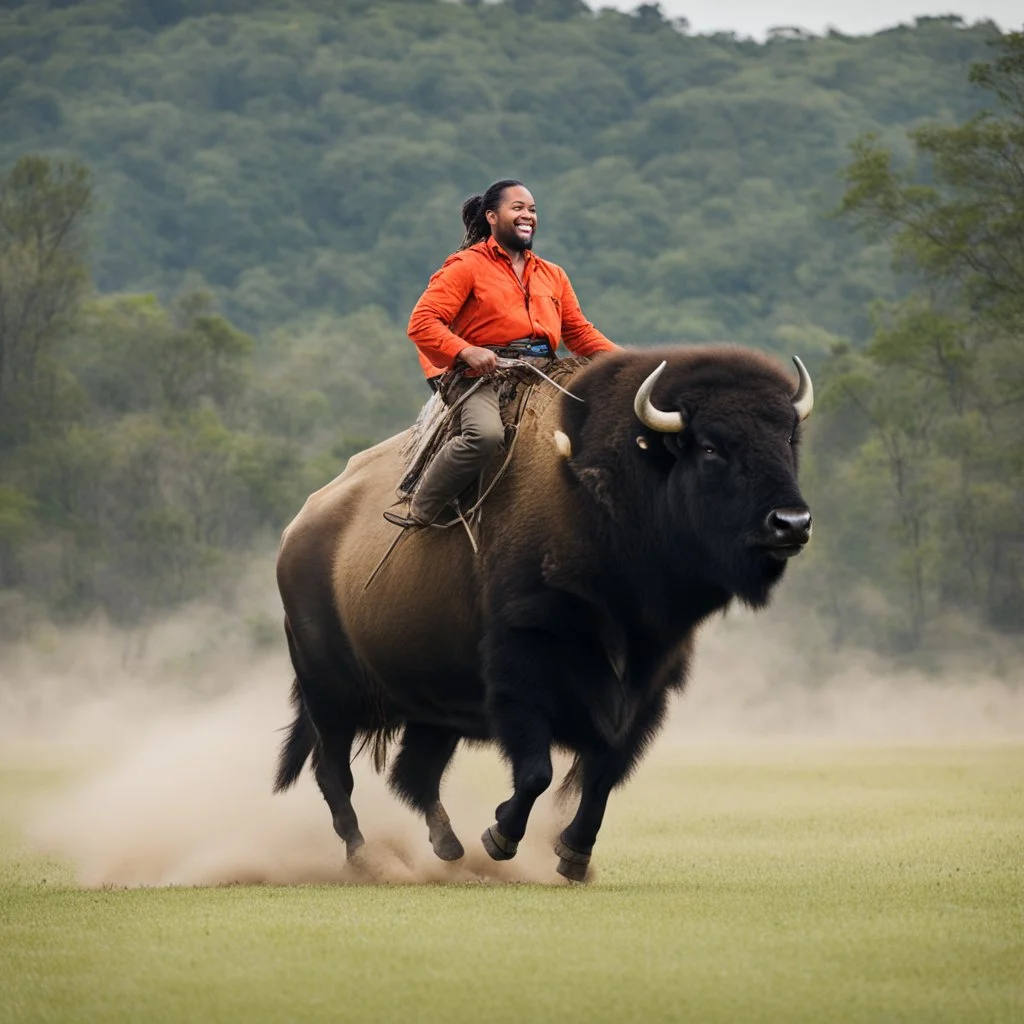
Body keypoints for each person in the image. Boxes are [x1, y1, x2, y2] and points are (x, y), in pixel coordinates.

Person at [384, 179, 618, 529]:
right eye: (518, 208)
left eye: (533, 210)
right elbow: (422, 323)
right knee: (485, 435)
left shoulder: (552, 274)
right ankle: (422, 507)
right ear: (492, 216)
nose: (528, 216)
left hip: (544, 372)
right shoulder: (466, 266)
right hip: (480, 377)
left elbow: (579, 334)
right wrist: (464, 350)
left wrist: (626, 363)